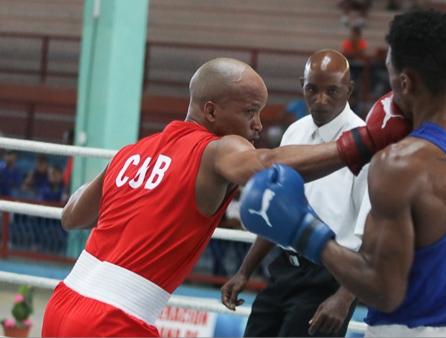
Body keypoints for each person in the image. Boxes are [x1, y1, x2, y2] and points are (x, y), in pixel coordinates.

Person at [41, 57, 409, 336]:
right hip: (113, 320)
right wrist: (361, 144)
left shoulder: (132, 152)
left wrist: (123, 180)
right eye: (250, 112)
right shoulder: (217, 149)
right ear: (212, 111)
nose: (258, 125)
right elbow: (267, 164)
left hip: (61, 304)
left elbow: (71, 216)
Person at [239, 10, 446, 337]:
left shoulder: (401, 164)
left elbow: (384, 289)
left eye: (389, 75)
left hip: (407, 329)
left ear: (405, 82)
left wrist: (304, 232)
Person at [221, 49, 367, 337]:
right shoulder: (294, 133)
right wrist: (244, 271)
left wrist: (344, 297)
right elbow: (277, 211)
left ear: (349, 90)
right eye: (312, 88)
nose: (321, 99)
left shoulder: (365, 143)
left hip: (332, 275)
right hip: (283, 270)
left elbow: (374, 234)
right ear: (302, 84)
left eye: (332, 91)